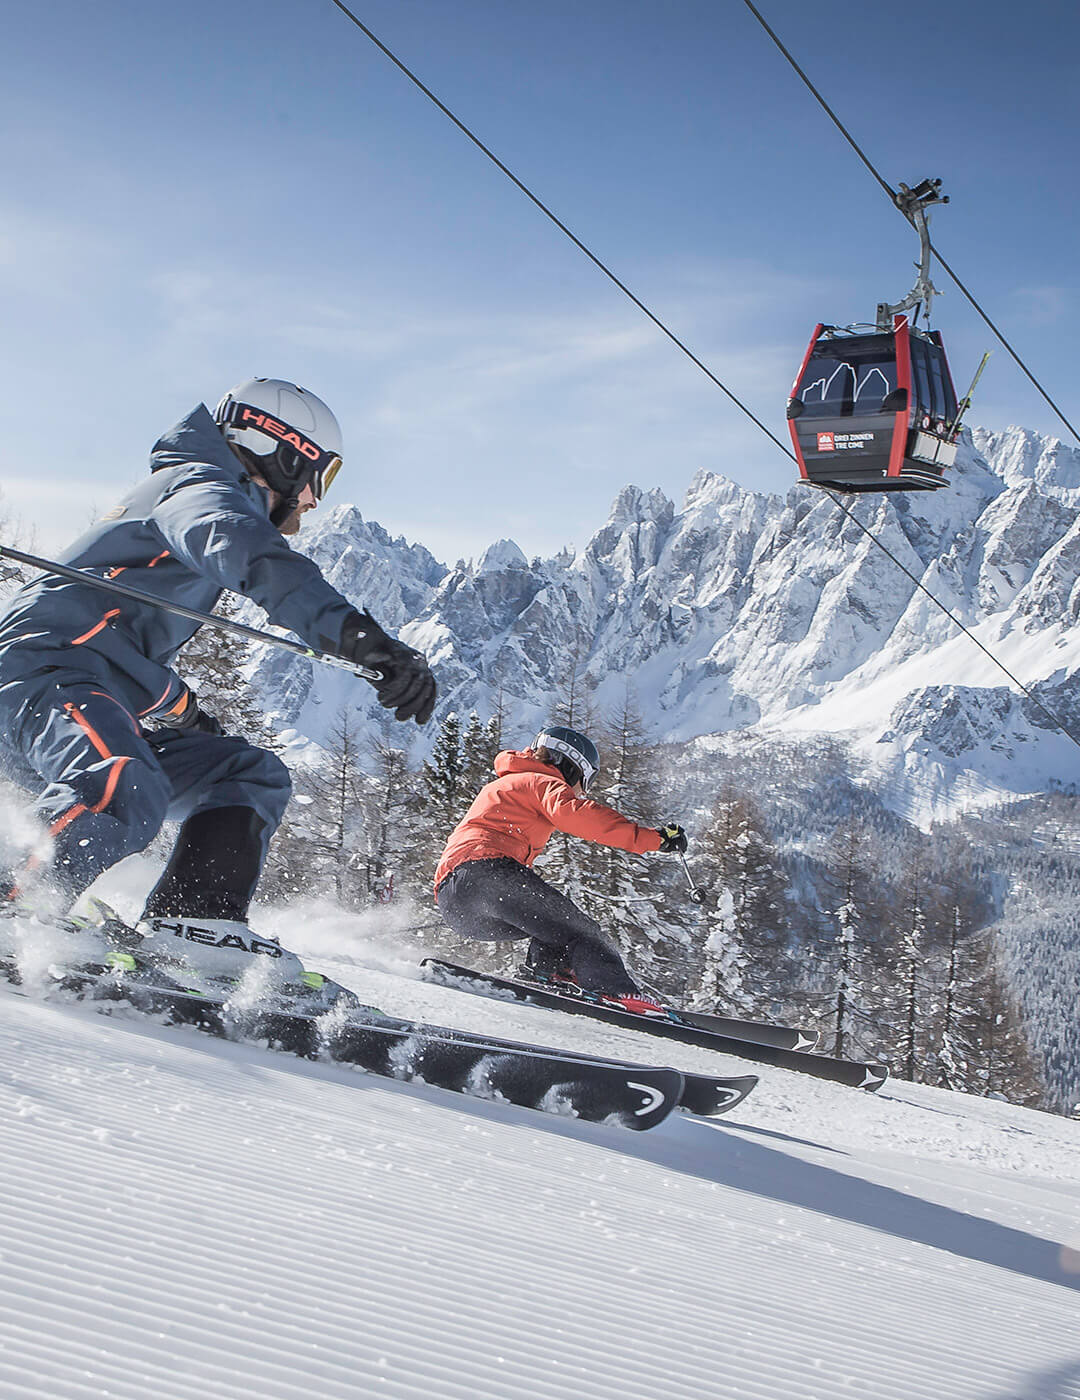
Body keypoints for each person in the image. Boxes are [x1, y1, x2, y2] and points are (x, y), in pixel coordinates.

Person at [0, 377, 435, 999]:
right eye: (320, 475)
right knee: (123, 780)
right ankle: (13, 898)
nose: (314, 500)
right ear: (282, 452)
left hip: (81, 683)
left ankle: (195, 923)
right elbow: (253, 557)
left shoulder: (195, 497)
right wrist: (358, 638)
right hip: (38, 679)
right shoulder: (199, 489)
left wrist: (187, 716)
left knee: (247, 772)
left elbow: (121, 644)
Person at [433, 724, 687, 1016]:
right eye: (584, 781)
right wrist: (654, 838)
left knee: (553, 927)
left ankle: (549, 975)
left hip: (455, 899)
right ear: (571, 766)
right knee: (582, 931)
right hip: (486, 873)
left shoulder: (506, 783)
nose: (579, 791)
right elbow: (579, 816)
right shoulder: (539, 782)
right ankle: (616, 992)